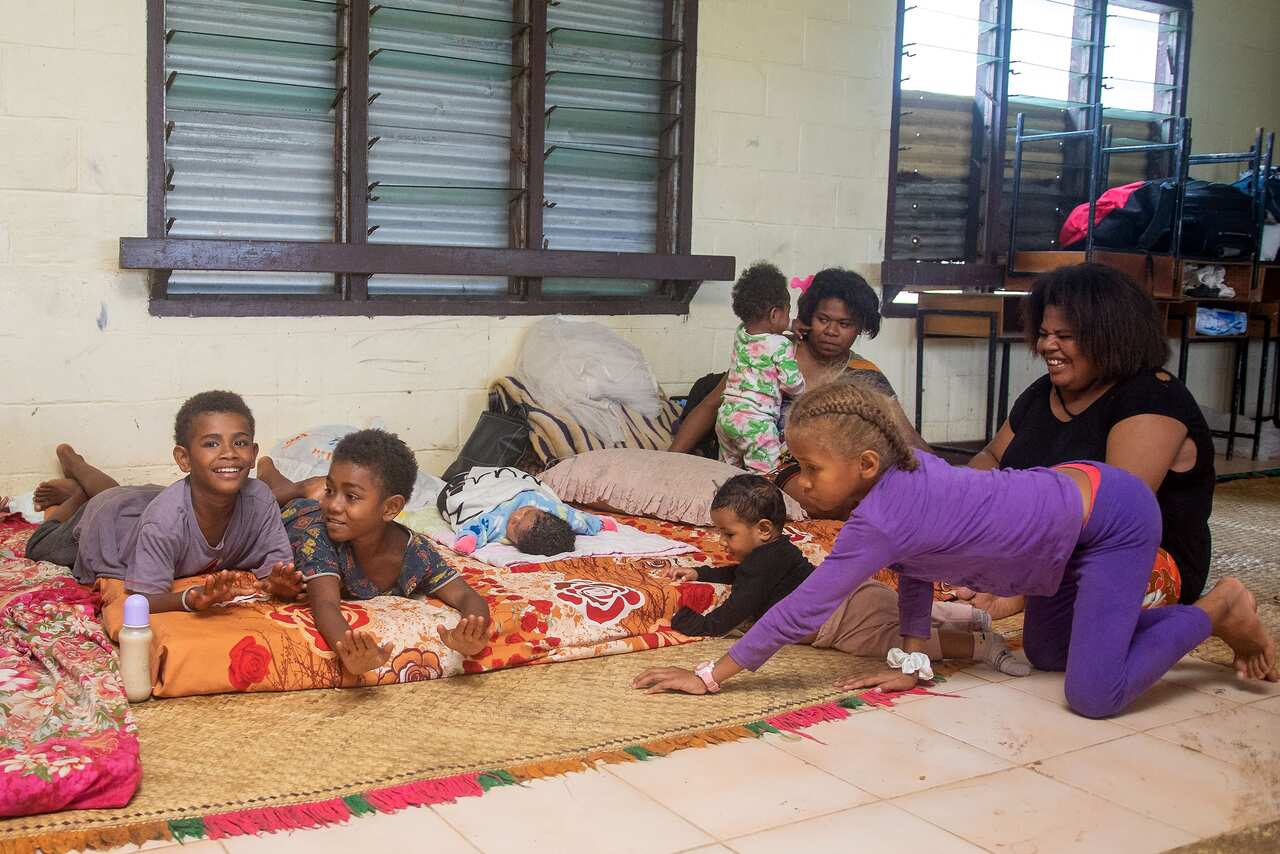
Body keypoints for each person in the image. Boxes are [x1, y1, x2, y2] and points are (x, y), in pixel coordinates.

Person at [634, 382, 1276, 719]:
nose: (798, 484)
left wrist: (710, 676)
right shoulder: (903, 477)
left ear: (863, 463)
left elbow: (805, 607)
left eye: (808, 468)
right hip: (1068, 523)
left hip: (1112, 515)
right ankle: (1132, 626)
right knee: (1049, 653)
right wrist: (914, 661)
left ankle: (1217, 607)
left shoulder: (882, 514)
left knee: (1095, 696)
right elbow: (917, 570)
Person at [965, 263, 1214, 616]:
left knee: (1085, 603)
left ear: (1111, 335)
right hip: (1025, 545)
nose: (1047, 346)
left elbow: (1110, 515)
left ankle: (1220, 610)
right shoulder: (1044, 393)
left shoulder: (1152, 398)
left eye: (1064, 336)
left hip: (1131, 556)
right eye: (1043, 333)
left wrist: (1020, 590)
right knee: (900, 563)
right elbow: (991, 456)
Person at [665, 474, 1027, 675]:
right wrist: (700, 571)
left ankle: (982, 647)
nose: (721, 541)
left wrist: (691, 622)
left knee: (899, 644)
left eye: (728, 534)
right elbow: (742, 575)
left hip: (841, 622)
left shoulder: (760, 567)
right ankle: (971, 617)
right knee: (907, 614)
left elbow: (735, 610)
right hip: (858, 593)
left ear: (762, 529)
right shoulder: (773, 553)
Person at [669, 266, 926, 511]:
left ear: (860, 328)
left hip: (824, 473)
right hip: (774, 469)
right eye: (823, 319)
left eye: (844, 324)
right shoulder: (772, 350)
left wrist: (951, 480)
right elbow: (712, 404)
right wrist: (668, 462)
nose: (831, 331)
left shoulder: (864, 375)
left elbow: (906, 438)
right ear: (807, 317)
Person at [25, 391, 299, 613]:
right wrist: (189, 598)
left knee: (118, 495)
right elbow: (141, 600)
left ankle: (82, 480)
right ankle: (75, 477)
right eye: (212, 444)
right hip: (106, 525)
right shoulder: (165, 520)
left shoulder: (260, 499)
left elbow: (276, 572)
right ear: (183, 459)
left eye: (239, 443)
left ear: (253, 454)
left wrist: (280, 585)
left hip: (141, 504)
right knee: (40, 543)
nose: (229, 453)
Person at [258, 429, 492, 676]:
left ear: (390, 508)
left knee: (302, 493)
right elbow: (325, 604)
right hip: (298, 515)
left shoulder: (417, 554)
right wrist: (347, 649)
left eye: (351, 497)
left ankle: (296, 480)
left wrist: (473, 631)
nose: (334, 505)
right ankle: (270, 470)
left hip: (316, 510)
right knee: (275, 494)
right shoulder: (320, 537)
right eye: (331, 490)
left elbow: (467, 596)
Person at [714, 262, 806, 473]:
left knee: (729, 476)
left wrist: (790, 324)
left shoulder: (741, 332)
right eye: (788, 311)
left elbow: (769, 326)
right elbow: (792, 384)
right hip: (756, 424)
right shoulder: (781, 345)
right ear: (775, 314)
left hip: (727, 417)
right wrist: (805, 392)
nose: (789, 317)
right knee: (768, 478)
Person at [436, 465, 617, 557]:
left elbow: (477, 525)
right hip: (506, 483)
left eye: (515, 526)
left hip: (490, 500)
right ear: (542, 511)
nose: (516, 516)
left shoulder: (497, 522)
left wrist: (470, 538)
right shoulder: (553, 509)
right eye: (526, 513)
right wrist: (598, 523)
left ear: (517, 545)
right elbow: (578, 518)